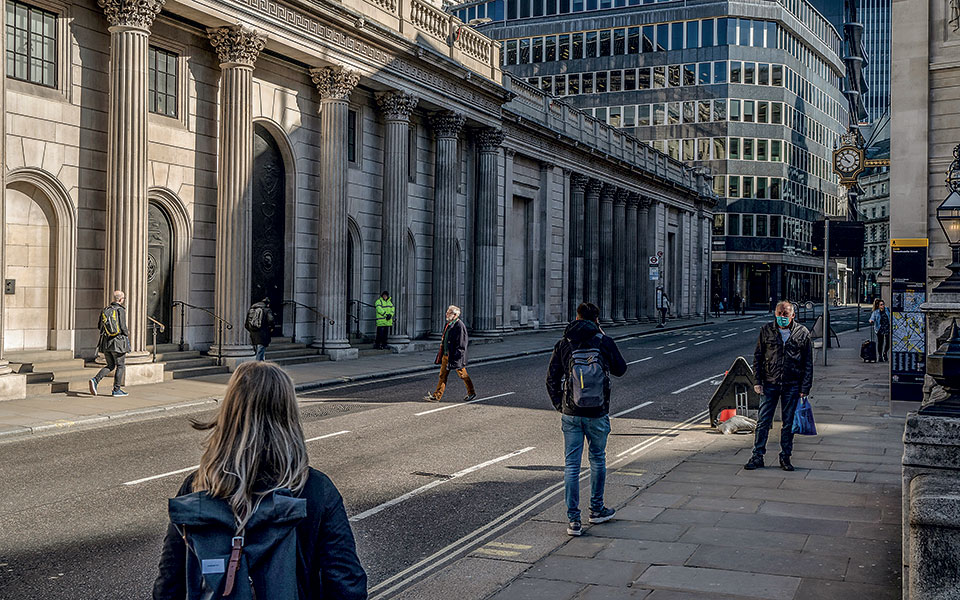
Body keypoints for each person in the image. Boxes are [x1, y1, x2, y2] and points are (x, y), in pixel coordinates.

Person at [152, 362, 367, 600]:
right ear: (288, 416)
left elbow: (168, 585)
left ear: (229, 413)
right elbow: (346, 584)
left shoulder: (197, 487)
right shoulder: (314, 489)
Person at [546, 302, 627, 537]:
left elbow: (551, 378)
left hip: (571, 413)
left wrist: (560, 405)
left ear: (577, 317)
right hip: (598, 412)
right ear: (596, 320)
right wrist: (603, 336)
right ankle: (597, 510)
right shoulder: (603, 341)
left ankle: (573, 521)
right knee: (598, 460)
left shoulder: (564, 343)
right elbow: (621, 369)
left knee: (572, 465)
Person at [746, 300, 814, 472]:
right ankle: (757, 456)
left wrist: (804, 389)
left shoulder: (802, 333)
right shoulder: (766, 330)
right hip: (769, 383)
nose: (782, 317)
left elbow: (807, 364)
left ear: (793, 315)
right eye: (779, 314)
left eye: (785, 314)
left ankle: (785, 457)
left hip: (792, 385)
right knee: (763, 422)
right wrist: (757, 381)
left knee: (788, 424)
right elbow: (758, 358)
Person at [424, 305, 475, 402]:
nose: (446, 314)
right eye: (447, 312)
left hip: (455, 357)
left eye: (449, 313)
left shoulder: (460, 326)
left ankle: (471, 392)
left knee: (463, 375)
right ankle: (437, 396)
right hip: (446, 355)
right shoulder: (448, 324)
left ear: (455, 315)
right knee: (442, 376)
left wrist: (457, 357)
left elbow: (462, 344)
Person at [89, 290, 130, 397]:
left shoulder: (105, 310)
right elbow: (123, 327)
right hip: (118, 342)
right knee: (120, 365)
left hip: (106, 343)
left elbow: (99, 326)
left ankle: (95, 380)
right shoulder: (120, 310)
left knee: (110, 365)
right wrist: (127, 333)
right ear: (121, 299)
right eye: (123, 298)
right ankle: (116, 390)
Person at [870, 298, 891, 362]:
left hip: (887, 328)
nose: (883, 306)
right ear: (878, 306)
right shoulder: (876, 312)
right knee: (880, 342)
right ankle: (880, 356)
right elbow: (872, 318)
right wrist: (871, 320)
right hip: (879, 329)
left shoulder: (887, 310)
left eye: (883, 304)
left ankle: (885, 353)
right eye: (881, 305)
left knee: (888, 342)